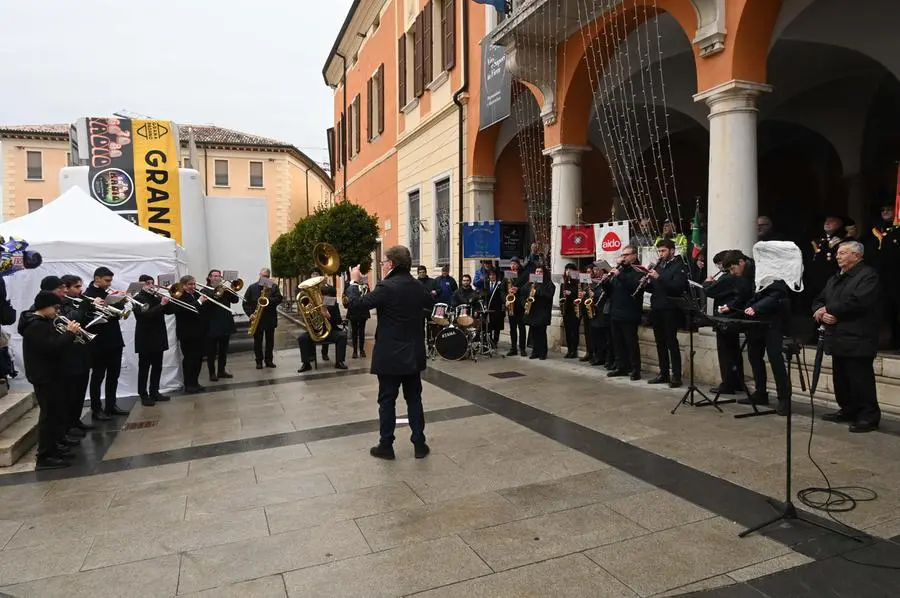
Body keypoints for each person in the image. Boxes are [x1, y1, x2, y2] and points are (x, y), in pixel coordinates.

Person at [346, 245, 433, 460]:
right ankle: (419, 444)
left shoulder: (387, 287)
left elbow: (357, 305)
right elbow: (428, 305)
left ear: (392, 264)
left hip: (391, 355)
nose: (382, 265)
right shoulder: (418, 286)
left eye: (384, 261)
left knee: (387, 400)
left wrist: (355, 282)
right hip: (413, 353)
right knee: (414, 399)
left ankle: (386, 445)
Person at [813, 241, 882, 432]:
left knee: (860, 379)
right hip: (836, 336)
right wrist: (820, 311)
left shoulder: (867, 276)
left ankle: (868, 416)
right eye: (838, 253)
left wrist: (830, 309)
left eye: (843, 253)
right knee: (841, 379)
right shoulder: (836, 277)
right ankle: (848, 409)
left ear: (857, 256)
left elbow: (859, 301)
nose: (838, 256)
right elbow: (820, 299)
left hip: (858, 336)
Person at [721, 250, 792, 415]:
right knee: (754, 356)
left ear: (741, 262)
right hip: (756, 324)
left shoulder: (765, 270)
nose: (733, 273)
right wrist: (732, 307)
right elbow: (750, 295)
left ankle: (784, 399)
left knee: (775, 359)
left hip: (772, 322)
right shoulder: (747, 274)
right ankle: (760, 393)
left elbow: (776, 293)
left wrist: (756, 307)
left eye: (732, 269)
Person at [19, 290, 81, 470]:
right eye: (55, 307)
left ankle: (54, 448)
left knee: (57, 413)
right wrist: (69, 334)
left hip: (54, 373)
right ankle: (45, 456)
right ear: (44, 307)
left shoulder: (44, 322)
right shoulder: (35, 326)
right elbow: (51, 347)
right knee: (49, 415)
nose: (57, 311)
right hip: (44, 376)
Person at [703, 251, 752, 394]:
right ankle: (738, 382)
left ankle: (728, 383)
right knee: (734, 351)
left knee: (726, 352)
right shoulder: (737, 276)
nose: (720, 268)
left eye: (719, 265)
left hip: (726, 319)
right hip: (731, 318)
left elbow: (709, 291)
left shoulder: (729, 278)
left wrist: (707, 283)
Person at [83, 267, 128, 419]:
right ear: (97, 279)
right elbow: (86, 318)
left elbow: (118, 315)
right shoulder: (88, 295)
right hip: (98, 342)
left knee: (113, 375)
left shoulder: (108, 293)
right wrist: (95, 306)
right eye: (107, 280)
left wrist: (120, 301)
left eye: (110, 281)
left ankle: (111, 405)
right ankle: (96, 409)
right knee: (98, 376)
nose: (109, 284)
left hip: (114, 339)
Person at [646, 239, 687, 388]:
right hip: (656, 308)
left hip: (670, 309)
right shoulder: (660, 266)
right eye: (660, 251)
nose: (661, 254)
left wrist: (659, 277)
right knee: (660, 342)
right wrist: (647, 284)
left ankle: (676, 376)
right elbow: (657, 288)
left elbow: (677, 287)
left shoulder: (679, 267)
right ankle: (663, 373)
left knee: (671, 342)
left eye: (663, 251)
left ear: (672, 251)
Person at [59, 275, 95, 435]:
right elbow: (73, 320)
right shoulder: (61, 304)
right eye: (77, 287)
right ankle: (69, 425)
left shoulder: (76, 302)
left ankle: (76, 420)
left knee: (80, 390)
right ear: (66, 288)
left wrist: (92, 309)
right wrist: (84, 307)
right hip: (70, 354)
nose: (80, 290)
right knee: (71, 392)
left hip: (82, 351)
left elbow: (84, 321)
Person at [603, 246, 645, 380]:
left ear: (634, 256)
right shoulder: (619, 272)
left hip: (630, 312)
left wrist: (619, 276)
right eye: (623, 255)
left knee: (631, 343)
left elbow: (633, 288)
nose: (624, 257)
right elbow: (611, 292)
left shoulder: (638, 272)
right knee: (618, 342)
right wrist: (605, 283)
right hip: (615, 311)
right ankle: (621, 366)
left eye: (627, 255)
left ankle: (635, 369)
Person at [132, 275, 174, 406]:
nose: (151, 285)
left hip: (158, 335)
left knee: (157, 366)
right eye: (147, 283)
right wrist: (161, 304)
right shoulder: (137, 298)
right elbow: (145, 316)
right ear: (141, 285)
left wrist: (170, 298)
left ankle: (154, 392)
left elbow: (169, 311)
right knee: (144, 368)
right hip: (145, 337)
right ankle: (143, 394)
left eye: (152, 283)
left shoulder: (156, 296)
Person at [866, 203, 899, 350]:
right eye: (883, 210)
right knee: (884, 311)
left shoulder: (897, 230)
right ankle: (888, 340)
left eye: (889, 209)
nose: (885, 212)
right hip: (879, 278)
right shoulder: (876, 230)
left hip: (896, 277)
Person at [202, 269, 239, 381]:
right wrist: (216, 293)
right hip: (211, 325)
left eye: (218, 276)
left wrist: (231, 290)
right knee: (211, 352)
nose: (217, 278)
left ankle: (221, 371)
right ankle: (212, 373)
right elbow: (205, 307)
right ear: (209, 277)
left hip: (225, 323)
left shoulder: (225, 289)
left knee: (224, 350)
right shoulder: (205, 290)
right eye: (214, 276)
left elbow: (235, 300)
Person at [242, 269, 283, 369]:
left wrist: (268, 300)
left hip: (270, 318)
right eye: (263, 275)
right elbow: (245, 302)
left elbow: (279, 298)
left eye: (267, 276)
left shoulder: (273, 287)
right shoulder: (252, 287)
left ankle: (269, 361)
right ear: (259, 275)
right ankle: (259, 361)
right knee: (258, 342)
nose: (265, 278)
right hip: (257, 319)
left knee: (270, 341)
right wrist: (250, 314)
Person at [174, 275, 208, 393]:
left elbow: (201, 310)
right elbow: (188, 310)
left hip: (198, 331)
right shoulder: (179, 296)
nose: (193, 286)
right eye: (190, 284)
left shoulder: (195, 294)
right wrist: (200, 301)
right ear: (183, 285)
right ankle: (189, 384)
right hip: (187, 333)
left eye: (194, 284)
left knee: (198, 358)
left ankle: (195, 382)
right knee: (189, 359)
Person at [522, 265, 554, 360]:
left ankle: (543, 352)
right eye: (537, 271)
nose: (538, 273)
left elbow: (549, 296)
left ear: (544, 273)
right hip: (532, 311)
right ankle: (535, 351)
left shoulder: (549, 283)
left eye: (540, 271)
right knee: (534, 332)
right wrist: (525, 303)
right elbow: (523, 293)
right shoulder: (530, 283)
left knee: (541, 333)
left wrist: (537, 292)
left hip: (543, 312)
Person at [586, 263, 614, 367]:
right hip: (595, 312)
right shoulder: (595, 282)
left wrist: (595, 295)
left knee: (604, 338)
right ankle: (597, 356)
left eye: (598, 270)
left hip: (604, 312)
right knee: (596, 337)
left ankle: (605, 358)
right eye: (595, 270)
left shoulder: (607, 281)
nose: (596, 272)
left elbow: (607, 294)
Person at [504, 258, 529, 356]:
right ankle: (513, 348)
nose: (513, 266)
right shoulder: (507, 275)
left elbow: (528, 288)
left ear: (518, 265)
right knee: (512, 328)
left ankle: (522, 348)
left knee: (522, 328)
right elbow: (502, 289)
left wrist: (518, 289)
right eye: (511, 264)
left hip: (520, 305)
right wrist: (506, 299)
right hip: (511, 305)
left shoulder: (524, 274)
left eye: (515, 264)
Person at [345, 276, 370, 358]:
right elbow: (345, 297)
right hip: (353, 311)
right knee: (354, 332)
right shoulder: (348, 285)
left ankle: (362, 350)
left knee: (361, 332)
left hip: (363, 311)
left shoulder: (365, 285)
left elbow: (368, 297)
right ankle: (355, 350)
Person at [560, 263, 581, 359]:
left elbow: (577, 293)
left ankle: (574, 350)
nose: (568, 271)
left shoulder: (577, 282)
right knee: (567, 330)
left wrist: (570, 293)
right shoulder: (563, 282)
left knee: (574, 330)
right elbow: (561, 295)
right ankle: (569, 349)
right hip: (566, 309)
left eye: (570, 269)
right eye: (566, 269)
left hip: (574, 308)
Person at [482, 268, 505, 349]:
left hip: (497, 309)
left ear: (496, 276)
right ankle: (489, 341)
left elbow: (502, 295)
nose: (492, 276)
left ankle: (495, 342)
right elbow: (483, 295)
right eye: (490, 275)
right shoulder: (486, 284)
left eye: (493, 275)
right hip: (488, 308)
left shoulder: (500, 284)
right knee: (488, 327)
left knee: (497, 327)